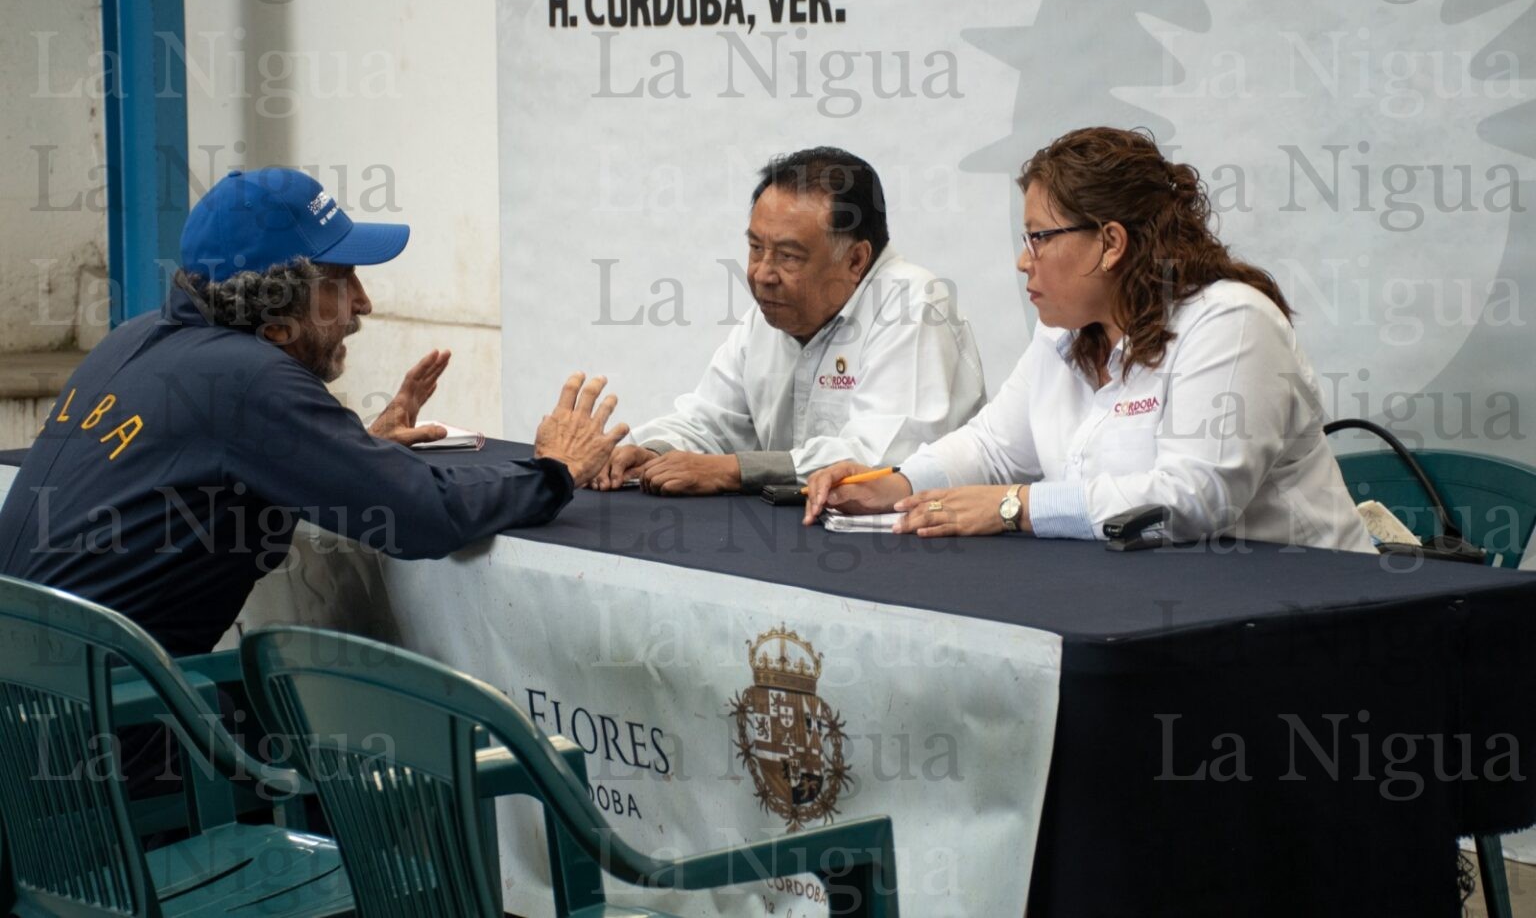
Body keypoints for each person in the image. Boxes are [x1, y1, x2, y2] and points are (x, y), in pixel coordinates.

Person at [0, 167, 628, 658]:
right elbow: (424, 518)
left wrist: (347, 450)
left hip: (35, 719)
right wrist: (553, 470)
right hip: (95, 752)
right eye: (341, 279)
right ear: (275, 321)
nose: (364, 302)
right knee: (366, 761)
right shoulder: (246, 381)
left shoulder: (135, 338)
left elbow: (220, 472)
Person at [803, 127, 1375, 552]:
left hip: (1311, 610)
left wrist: (1015, 507)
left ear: (1110, 243)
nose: (1022, 261)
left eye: (1039, 238)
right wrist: (893, 485)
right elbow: (994, 447)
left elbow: (1194, 499)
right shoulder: (1063, 331)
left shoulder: (1231, 322)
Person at [593, 147, 986, 495]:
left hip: (914, 551)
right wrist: (651, 451)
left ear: (856, 260)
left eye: (788, 256)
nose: (762, 273)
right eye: (755, 248)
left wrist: (733, 471)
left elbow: (880, 458)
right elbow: (710, 420)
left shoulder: (912, 304)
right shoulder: (770, 314)